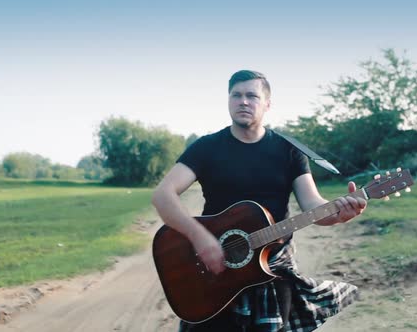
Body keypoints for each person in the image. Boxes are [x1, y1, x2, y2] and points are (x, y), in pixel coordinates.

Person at [151, 70, 367, 332]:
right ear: (228, 100)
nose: (243, 101)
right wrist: (199, 237)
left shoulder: (289, 150)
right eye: (236, 95)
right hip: (215, 269)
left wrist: (339, 213)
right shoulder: (207, 147)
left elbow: (313, 206)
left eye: (252, 95)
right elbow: (163, 195)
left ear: (267, 104)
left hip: (272, 270)